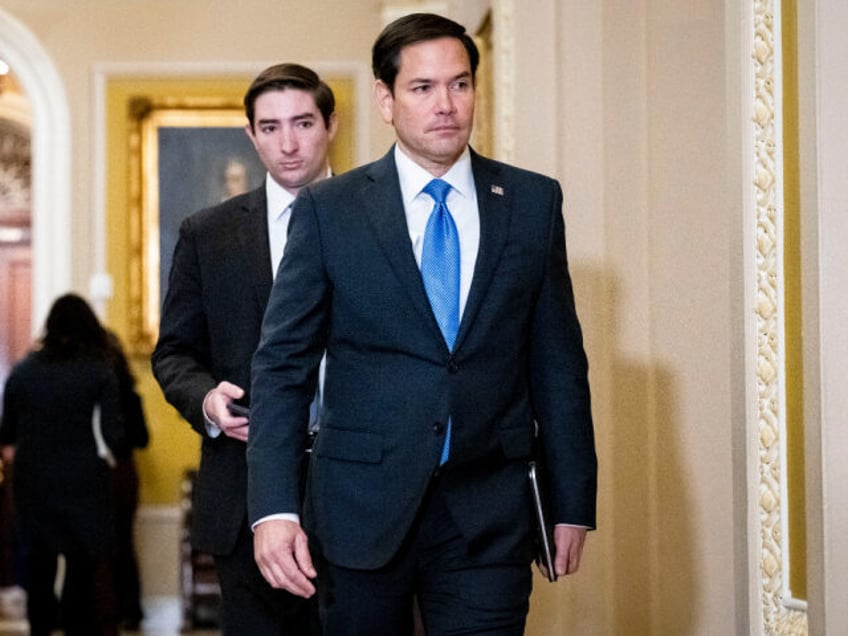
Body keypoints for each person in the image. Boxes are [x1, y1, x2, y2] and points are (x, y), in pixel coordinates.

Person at [247, 12, 598, 636]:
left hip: (487, 516)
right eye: (423, 87)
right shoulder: (330, 210)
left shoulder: (532, 203)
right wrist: (273, 507)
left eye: (460, 85)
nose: (446, 104)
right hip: (359, 511)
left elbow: (559, 364)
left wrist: (573, 501)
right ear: (385, 99)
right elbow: (283, 366)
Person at [151, 62, 337, 635]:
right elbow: (174, 354)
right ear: (250, 134)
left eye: (303, 123)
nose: (288, 143)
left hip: (363, 494)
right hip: (244, 498)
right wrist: (207, 401)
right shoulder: (207, 234)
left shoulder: (381, 219)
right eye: (270, 126)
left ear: (330, 124)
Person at [0, 293, 126, 636]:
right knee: (80, 576)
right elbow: (113, 434)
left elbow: (6, 435)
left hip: (33, 480)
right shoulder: (100, 371)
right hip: (84, 480)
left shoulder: (23, 372)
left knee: (38, 571)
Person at [105, 331, 149, 631]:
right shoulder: (129, 395)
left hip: (110, 473)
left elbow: (140, 437)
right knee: (122, 543)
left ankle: (115, 610)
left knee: (111, 544)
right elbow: (141, 438)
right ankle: (127, 609)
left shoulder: (105, 392)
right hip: (122, 472)